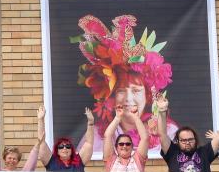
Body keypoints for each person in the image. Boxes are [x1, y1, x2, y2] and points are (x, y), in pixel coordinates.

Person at [74, 14, 177, 156]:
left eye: (136, 91)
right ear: (112, 97)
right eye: (121, 91)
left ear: (147, 96)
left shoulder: (169, 131)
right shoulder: (97, 136)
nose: (128, 99)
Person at [156, 94, 219, 172]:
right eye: (184, 140)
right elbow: (162, 134)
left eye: (190, 139)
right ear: (177, 141)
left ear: (195, 140)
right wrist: (162, 110)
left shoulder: (204, 153)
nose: (187, 142)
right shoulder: (172, 153)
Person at [39, 105, 94, 172]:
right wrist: (40, 119)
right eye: (61, 146)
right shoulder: (51, 162)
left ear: (71, 150)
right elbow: (41, 142)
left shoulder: (79, 161)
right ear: (57, 151)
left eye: (68, 146)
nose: (64, 148)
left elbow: (89, 143)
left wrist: (90, 123)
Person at [103, 104, 149, 172]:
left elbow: (145, 138)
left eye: (128, 144)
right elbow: (107, 136)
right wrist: (118, 117)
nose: (124, 146)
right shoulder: (111, 160)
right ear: (116, 147)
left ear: (132, 147)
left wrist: (136, 118)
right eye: (121, 144)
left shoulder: (138, 159)